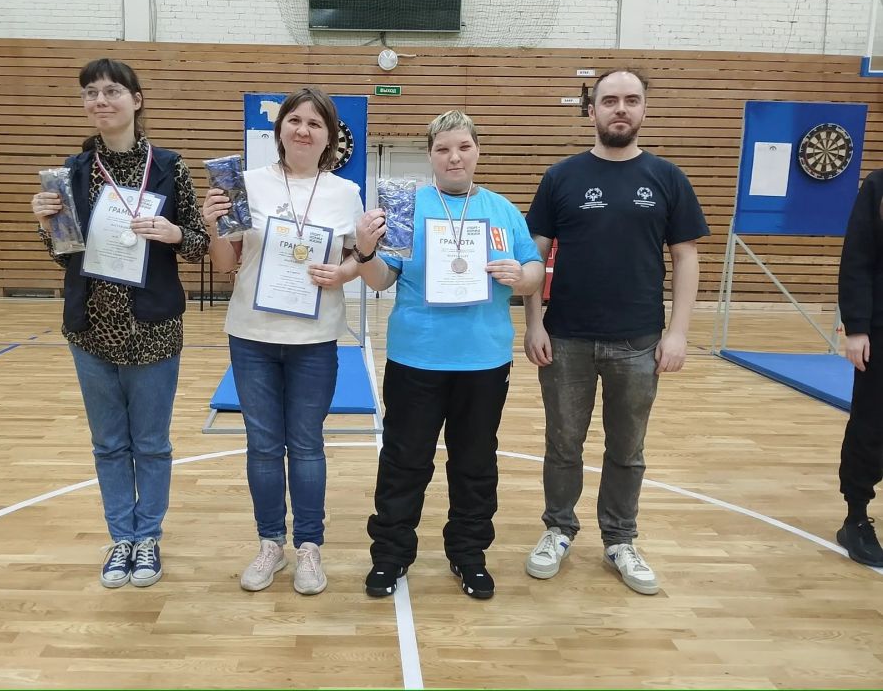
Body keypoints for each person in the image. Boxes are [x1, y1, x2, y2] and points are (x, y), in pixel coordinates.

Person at [523, 68, 709, 595]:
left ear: (644, 109)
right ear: (592, 111)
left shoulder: (668, 178)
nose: (620, 109)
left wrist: (678, 332)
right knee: (563, 444)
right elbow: (533, 257)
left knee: (628, 449)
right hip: (566, 338)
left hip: (639, 340)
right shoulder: (561, 177)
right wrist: (533, 323)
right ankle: (559, 529)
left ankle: (620, 539)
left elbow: (687, 258)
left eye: (631, 100)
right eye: (609, 100)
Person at [30, 58, 208, 588]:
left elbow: (199, 244)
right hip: (90, 328)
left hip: (153, 327)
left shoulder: (169, 166)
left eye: (111, 91)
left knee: (151, 443)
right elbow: (64, 253)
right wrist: (46, 224)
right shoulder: (72, 172)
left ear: (136, 99)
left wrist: (174, 233)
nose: (100, 100)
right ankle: (121, 539)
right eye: (91, 93)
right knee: (108, 444)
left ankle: (147, 537)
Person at [355, 110, 544, 600]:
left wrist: (521, 277)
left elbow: (534, 273)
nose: (454, 157)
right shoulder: (406, 206)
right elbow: (382, 280)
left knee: (475, 463)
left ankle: (469, 554)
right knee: (404, 461)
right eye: (442, 149)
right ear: (430, 156)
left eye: (463, 147)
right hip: (416, 358)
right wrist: (365, 253)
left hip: (483, 361)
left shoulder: (502, 210)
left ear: (477, 151)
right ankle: (391, 555)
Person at [201, 86, 364, 595]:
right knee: (264, 445)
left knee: (308, 444)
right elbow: (225, 264)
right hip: (252, 335)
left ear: (330, 137)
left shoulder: (346, 193)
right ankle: (270, 542)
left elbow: (358, 257)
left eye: (315, 123)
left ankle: (309, 547)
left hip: (315, 338)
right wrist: (212, 226)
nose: (303, 130)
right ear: (280, 130)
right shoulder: (246, 184)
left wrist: (342, 273)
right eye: (295, 120)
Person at [836, 168, 883, 567]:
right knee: (871, 425)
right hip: (879, 331)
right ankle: (856, 516)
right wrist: (857, 328)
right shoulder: (878, 186)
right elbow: (858, 258)